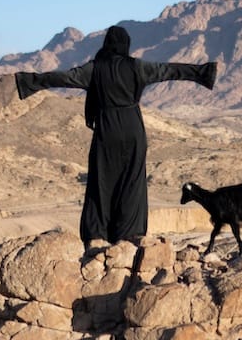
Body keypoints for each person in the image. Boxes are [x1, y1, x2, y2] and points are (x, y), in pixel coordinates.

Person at [14, 25, 218, 243]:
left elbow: (62, 78)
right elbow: (169, 70)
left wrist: (29, 82)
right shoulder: (137, 67)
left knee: (101, 181)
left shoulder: (95, 68)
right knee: (132, 181)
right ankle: (130, 233)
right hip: (132, 129)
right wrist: (202, 73)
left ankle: (97, 233)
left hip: (106, 129)